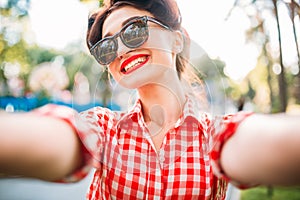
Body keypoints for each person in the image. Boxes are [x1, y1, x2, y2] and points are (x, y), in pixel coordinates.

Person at [0, 0, 300, 199]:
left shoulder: (215, 133)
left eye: (134, 30)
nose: (119, 51)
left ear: (178, 39)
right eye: (106, 47)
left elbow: (257, 143)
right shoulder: (104, 127)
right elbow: (62, 135)